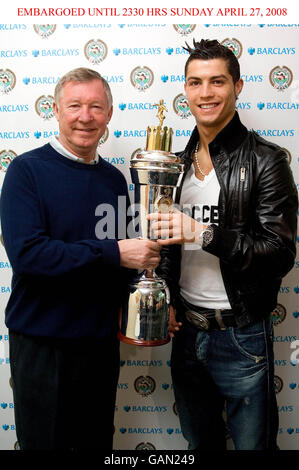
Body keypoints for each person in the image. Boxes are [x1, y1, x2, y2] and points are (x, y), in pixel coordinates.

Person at [0, 67, 161, 450]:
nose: (85, 116)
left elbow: (121, 264)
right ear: (56, 110)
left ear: (109, 114)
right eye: (75, 106)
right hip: (44, 345)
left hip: (99, 345)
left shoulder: (114, 180)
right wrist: (115, 252)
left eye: (95, 107)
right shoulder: (26, 171)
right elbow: (29, 255)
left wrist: (144, 305)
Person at [148, 39, 298, 450]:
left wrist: (201, 232)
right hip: (186, 334)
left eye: (217, 81)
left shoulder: (267, 162)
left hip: (242, 334)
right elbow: (166, 245)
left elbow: (279, 253)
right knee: (200, 444)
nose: (206, 93)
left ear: (238, 87)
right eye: (195, 83)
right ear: (185, 90)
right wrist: (167, 297)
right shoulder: (176, 164)